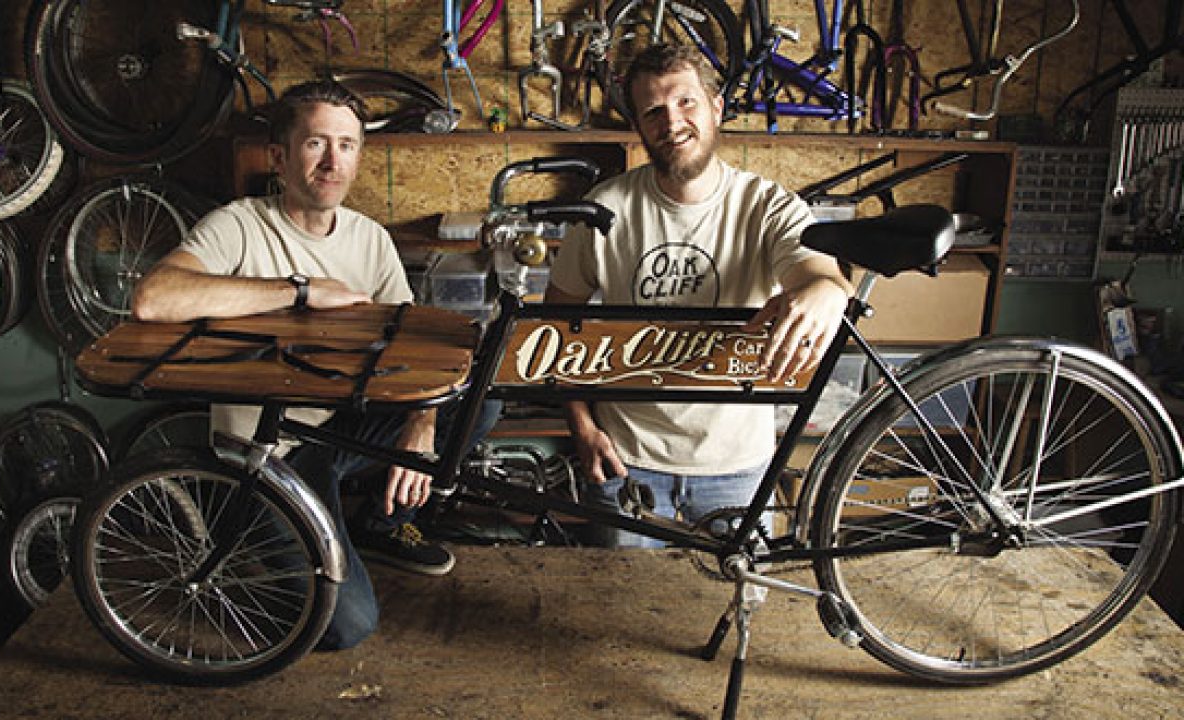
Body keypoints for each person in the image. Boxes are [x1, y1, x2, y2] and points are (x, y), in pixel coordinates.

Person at [131, 79, 495, 649]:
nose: (333, 161)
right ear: (279, 157)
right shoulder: (240, 225)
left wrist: (419, 430)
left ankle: (376, 523)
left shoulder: (369, 239)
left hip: (337, 430)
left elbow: (416, 348)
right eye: (316, 143)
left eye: (347, 145)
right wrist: (299, 290)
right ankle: (256, 543)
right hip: (267, 454)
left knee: (479, 400)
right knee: (347, 626)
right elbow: (154, 298)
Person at [544, 44, 853, 547]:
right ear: (640, 127)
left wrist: (825, 290)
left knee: (736, 612)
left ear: (716, 107)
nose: (672, 122)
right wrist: (581, 426)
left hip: (737, 468)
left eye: (686, 102)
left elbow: (818, 271)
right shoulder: (606, 207)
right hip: (626, 462)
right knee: (616, 613)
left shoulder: (767, 205)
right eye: (654, 111)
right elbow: (556, 324)